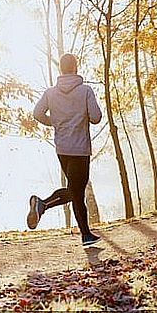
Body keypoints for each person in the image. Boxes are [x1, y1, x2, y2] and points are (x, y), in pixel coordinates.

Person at [27, 53, 102, 247]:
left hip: (62, 148)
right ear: (75, 68)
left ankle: (85, 234)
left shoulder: (50, 93)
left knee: (75, 191)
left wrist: (55, 122)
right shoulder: (85, 91)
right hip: (80, 148)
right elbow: (96, 117)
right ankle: (42, 205)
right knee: (76, 191)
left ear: (61, 69)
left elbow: (37, 113)